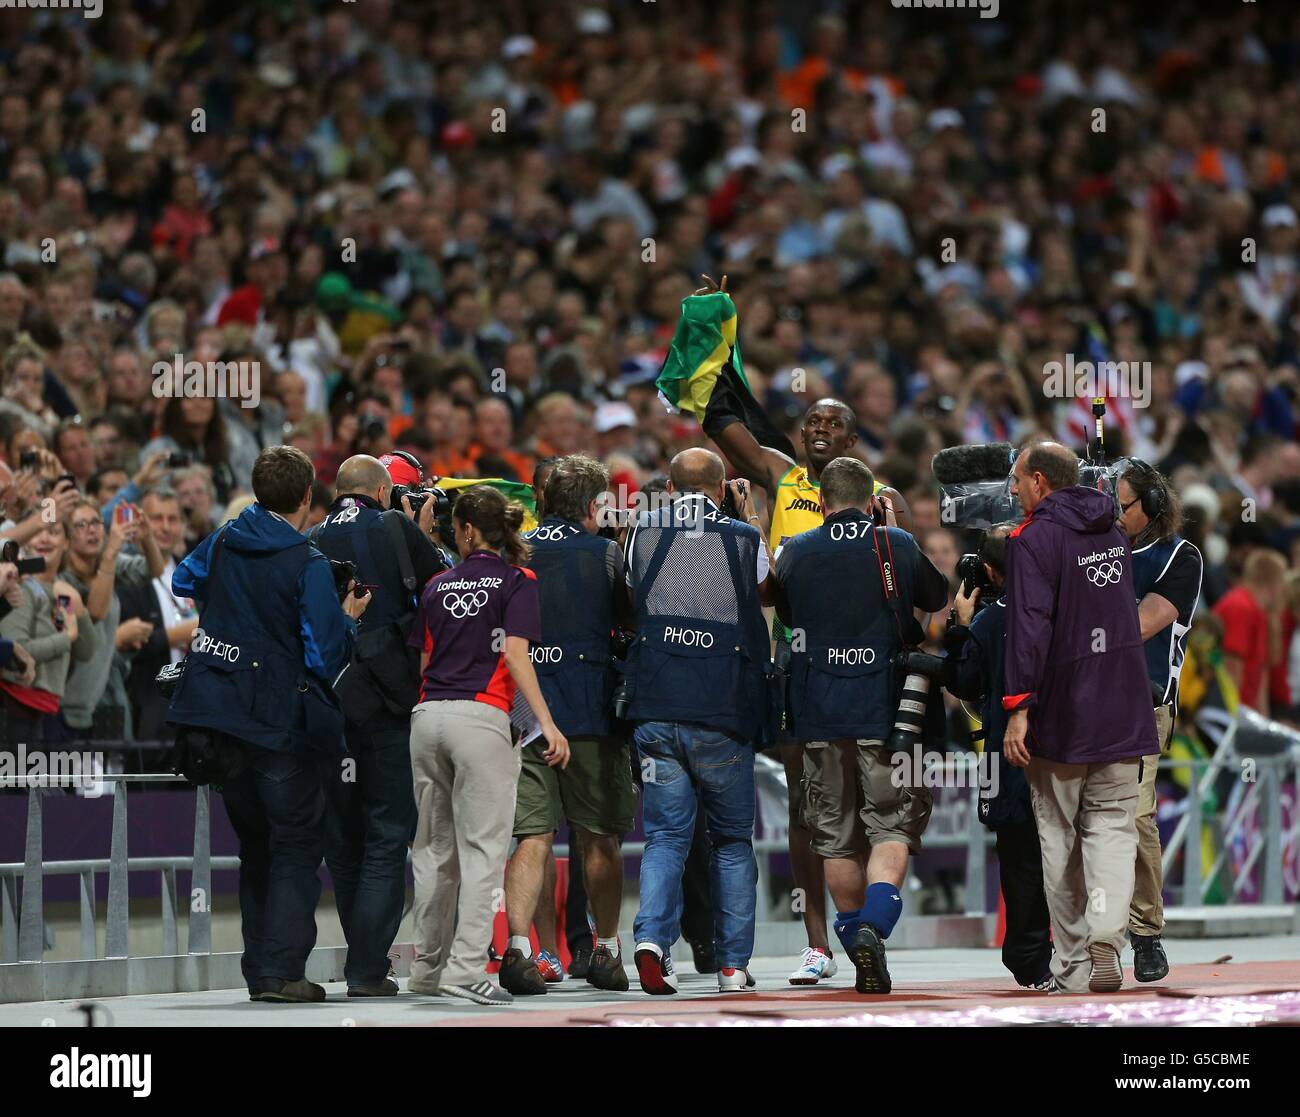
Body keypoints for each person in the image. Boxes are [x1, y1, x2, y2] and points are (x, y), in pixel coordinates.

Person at [714, 393, 911, 985]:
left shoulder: (884, 499)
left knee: (862, 803)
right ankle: (819, 943)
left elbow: (908, 574)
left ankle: (860, 931)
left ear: (853, 441)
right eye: (813, 421)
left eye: (835, 423)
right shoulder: (779, 472)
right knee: (809, 803)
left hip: (867, 659)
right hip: (793, 654)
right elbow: (721, 425)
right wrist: (713, 332)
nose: (820, 428)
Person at [168, 445, 367, 1003]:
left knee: (255, 846)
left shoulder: (228, 538)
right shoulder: (305, 563)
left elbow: (185, 580)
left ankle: (260, 970)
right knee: (296, 845)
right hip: (280, 725)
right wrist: (348, 619)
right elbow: (325, 654)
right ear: (307, 497)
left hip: (221, 722)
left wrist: (232, 610)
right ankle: (280, 972)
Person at [771, 457, 948, 993]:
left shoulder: (796, 550)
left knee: (837, 839)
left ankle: (854, 940)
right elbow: (937, 600)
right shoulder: (893, 544)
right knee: (891, 825)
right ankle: (872, 925)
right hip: (885, 711)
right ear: (872, 501)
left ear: (820, 504)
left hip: (818, 713)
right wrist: (897, 531)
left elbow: (784, 611)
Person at [1003, 442, 1159, 994]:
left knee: (1059, 838)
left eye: (1018, 480)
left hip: (1064, 712)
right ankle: (1107, 937)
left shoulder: (1033, 540)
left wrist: (1018, 707)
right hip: (1123, 708)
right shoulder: (1115, 535)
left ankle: (1071, 963)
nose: (1014, 490)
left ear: (1040, 482)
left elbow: (1029, 628)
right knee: (1113, 832)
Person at [407, 485, 569, 1006]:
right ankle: (466, 968)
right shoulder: (517, 581)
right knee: (483, 852)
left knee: (433, 851)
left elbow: (425, 664)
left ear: (467, 530)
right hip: (481, 719)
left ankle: (427, 970)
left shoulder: (436, 586)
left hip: (428, 717)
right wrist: (548, 723)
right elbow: (517, 657)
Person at [623, 447, 771, 995]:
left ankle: (650, 943)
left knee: (664, 837)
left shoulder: (641, 531)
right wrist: (748, 515)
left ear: (667, 487)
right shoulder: (742, 537)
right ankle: (732, 969)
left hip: (656, 710)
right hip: (722, 714)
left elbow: (630, 594)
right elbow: (767, 592)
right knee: (731, 842)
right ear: (721, 488)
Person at [500, 454, 638, 996]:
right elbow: (629, 615)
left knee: (532, 837)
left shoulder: (517, 554)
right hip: (590, 712)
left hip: (525, 714)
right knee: (598, 838)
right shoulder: (606, 553)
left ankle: (523, 951)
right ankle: (604, 949)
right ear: (594, 506)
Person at [310, 453, 447, 997]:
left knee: (344, 842)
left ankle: (365, 963)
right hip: (391, 708)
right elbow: (448, 593)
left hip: (330, 705)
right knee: (388, 836)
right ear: (385, 492)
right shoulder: (394, 525)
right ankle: (367, 969)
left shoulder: (312, 537)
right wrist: (423, 535)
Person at [941, 525, 1053, 990]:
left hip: (1004, 758)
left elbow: (963, 682)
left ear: (987, 571)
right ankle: (1079, 951)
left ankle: (1030, 961)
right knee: (1064, 853)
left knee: (1019, 857)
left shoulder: (988, 622)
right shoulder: (1061, 609)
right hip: (1062, 750)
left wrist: (960, 628)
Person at [1117, 460, 1204, 983]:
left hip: (1144, 705)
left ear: (1149, 506)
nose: (1113, 514)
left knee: (1136, 814)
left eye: (1122, 505)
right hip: (1081, 699)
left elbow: (1141, 623)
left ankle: (1146, 932)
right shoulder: (1096, 551)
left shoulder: (1180, 555)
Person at [116, 489, 198, 740]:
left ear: (182, 526)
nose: (165, 527)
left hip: (194, 709)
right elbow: (126, 645)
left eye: (172, 519)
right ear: (141, 522)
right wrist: (178, 635)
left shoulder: (196, 572)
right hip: (148, 711)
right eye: (156, 518)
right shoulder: (126, 577)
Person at [1212, 549, 1288, 715]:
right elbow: (1231, 668)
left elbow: (1260, 673)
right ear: (1274, 583)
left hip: (1245, 711)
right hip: (1232, 711)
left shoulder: (1258, 612)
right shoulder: (1241, 607)